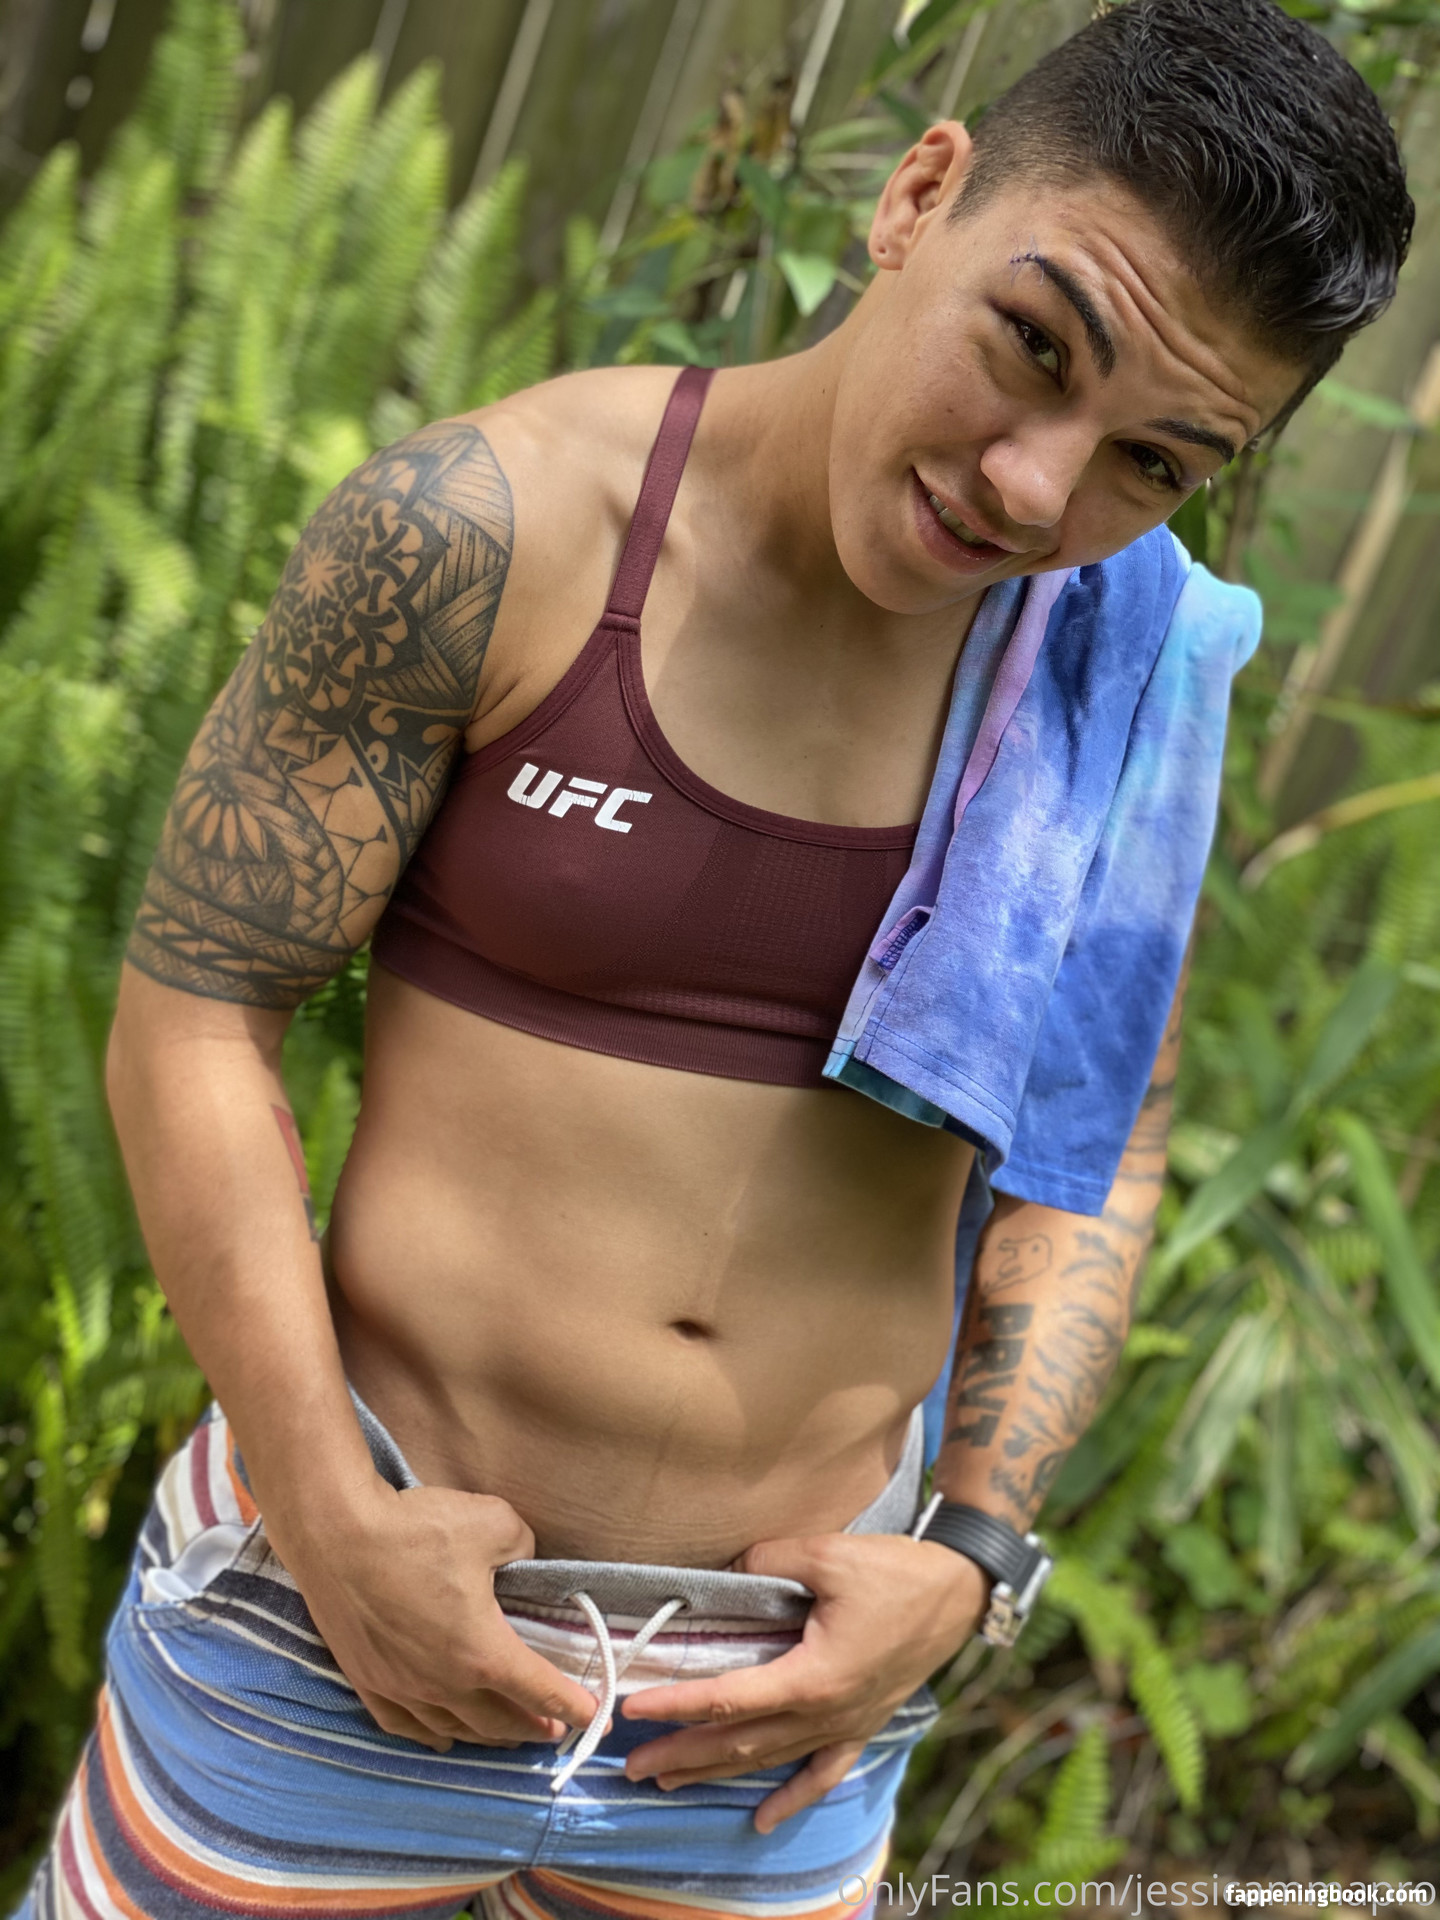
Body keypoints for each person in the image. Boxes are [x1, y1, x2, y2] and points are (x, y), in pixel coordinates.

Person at [18, 0, 1411, 1913]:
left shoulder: (1121, 666)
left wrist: (973, 1563)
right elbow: (196, 1014)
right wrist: (328, 1513)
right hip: (339, 1617)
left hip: (781, 1719)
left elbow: (1096, 1152)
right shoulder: (493, 528)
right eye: (1034, 345)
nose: (1038, 491)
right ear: (917, 196)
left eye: (1155, 461)